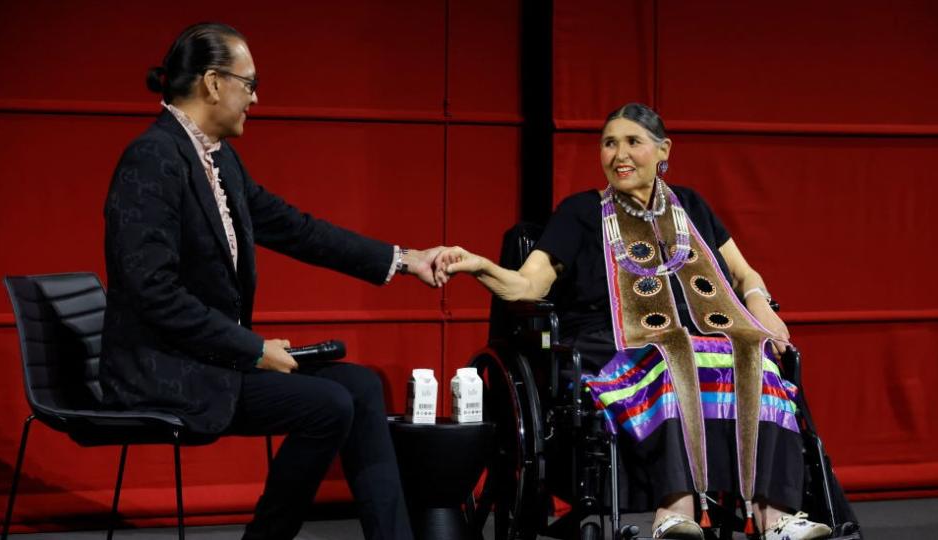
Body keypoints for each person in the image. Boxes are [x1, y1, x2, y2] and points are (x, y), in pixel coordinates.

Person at [101, 22, 440, 540]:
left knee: (361, 386)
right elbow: (153, 292)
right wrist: (253, 348)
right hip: (164, 370)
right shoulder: (152, 160)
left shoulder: (217, 158)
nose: (255, 98)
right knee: (326, 406)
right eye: (249, 83)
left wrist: (402, 258)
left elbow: (293, 227)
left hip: (213, 358)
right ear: (214, 84)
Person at [436, 103, 832, 540]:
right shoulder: (580, 212)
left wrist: (761, 309)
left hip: (693, 333)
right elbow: (528, 286)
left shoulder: (691, 207)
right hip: (608, 340)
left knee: (753, 357)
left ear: (663, 151)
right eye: (609, 143)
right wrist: (477, 266)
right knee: (671, 353)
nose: (619, 154)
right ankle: (674, 510)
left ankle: (773, 517)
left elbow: (742, 272)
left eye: (632, 142)